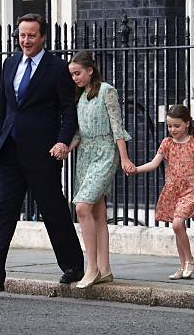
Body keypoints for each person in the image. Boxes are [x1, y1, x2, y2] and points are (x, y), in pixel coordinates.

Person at [0, 13, 85, 294]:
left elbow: (69, 110)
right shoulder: (10, 64)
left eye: (31, 35)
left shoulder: (56, 68)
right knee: (4, 211)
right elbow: (3, 109)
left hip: (43, 152)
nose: (26, 40)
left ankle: (73, 265)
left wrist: (63, 142)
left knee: (52, 208)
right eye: (21, 35)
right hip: (10, 151)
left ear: (42, 37)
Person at [127, 105, 194, 279]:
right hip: (173, 190)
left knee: (177, 224)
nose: (172, 130)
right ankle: (182, 265)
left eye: (176, 126)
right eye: (169, 126)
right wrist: (136, 169)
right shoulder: (167, 143)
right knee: (179, 228)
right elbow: (154, 163)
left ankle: (189, 261)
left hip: (191, 189)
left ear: (187, 123)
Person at [67, 51, 134, 288]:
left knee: (82, 206)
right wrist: (67, 148)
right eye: (72, 74)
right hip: (85, 154)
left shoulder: (107, 91)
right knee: (97, 213)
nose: (74, 78)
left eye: (77, 73)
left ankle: (91, 268)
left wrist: (124, 158)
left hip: (106, 153)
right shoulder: (80, 96)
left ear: (90, 70)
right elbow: (79, 132)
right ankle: (105, 270)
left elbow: (117, 127)